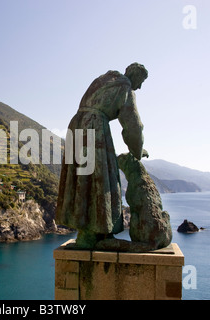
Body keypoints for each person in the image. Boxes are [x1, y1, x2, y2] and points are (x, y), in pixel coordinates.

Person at [56, 63, 148, 248]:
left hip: (76, 124)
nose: (140, 87)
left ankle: (88, 232)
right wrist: (137, 151)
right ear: (135, 77)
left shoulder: (105, 79)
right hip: (95, 126)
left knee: (82, 178)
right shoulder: (126, 88)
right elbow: (133, 125)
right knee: (103, 178)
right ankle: (96, 232)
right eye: (141, 82)